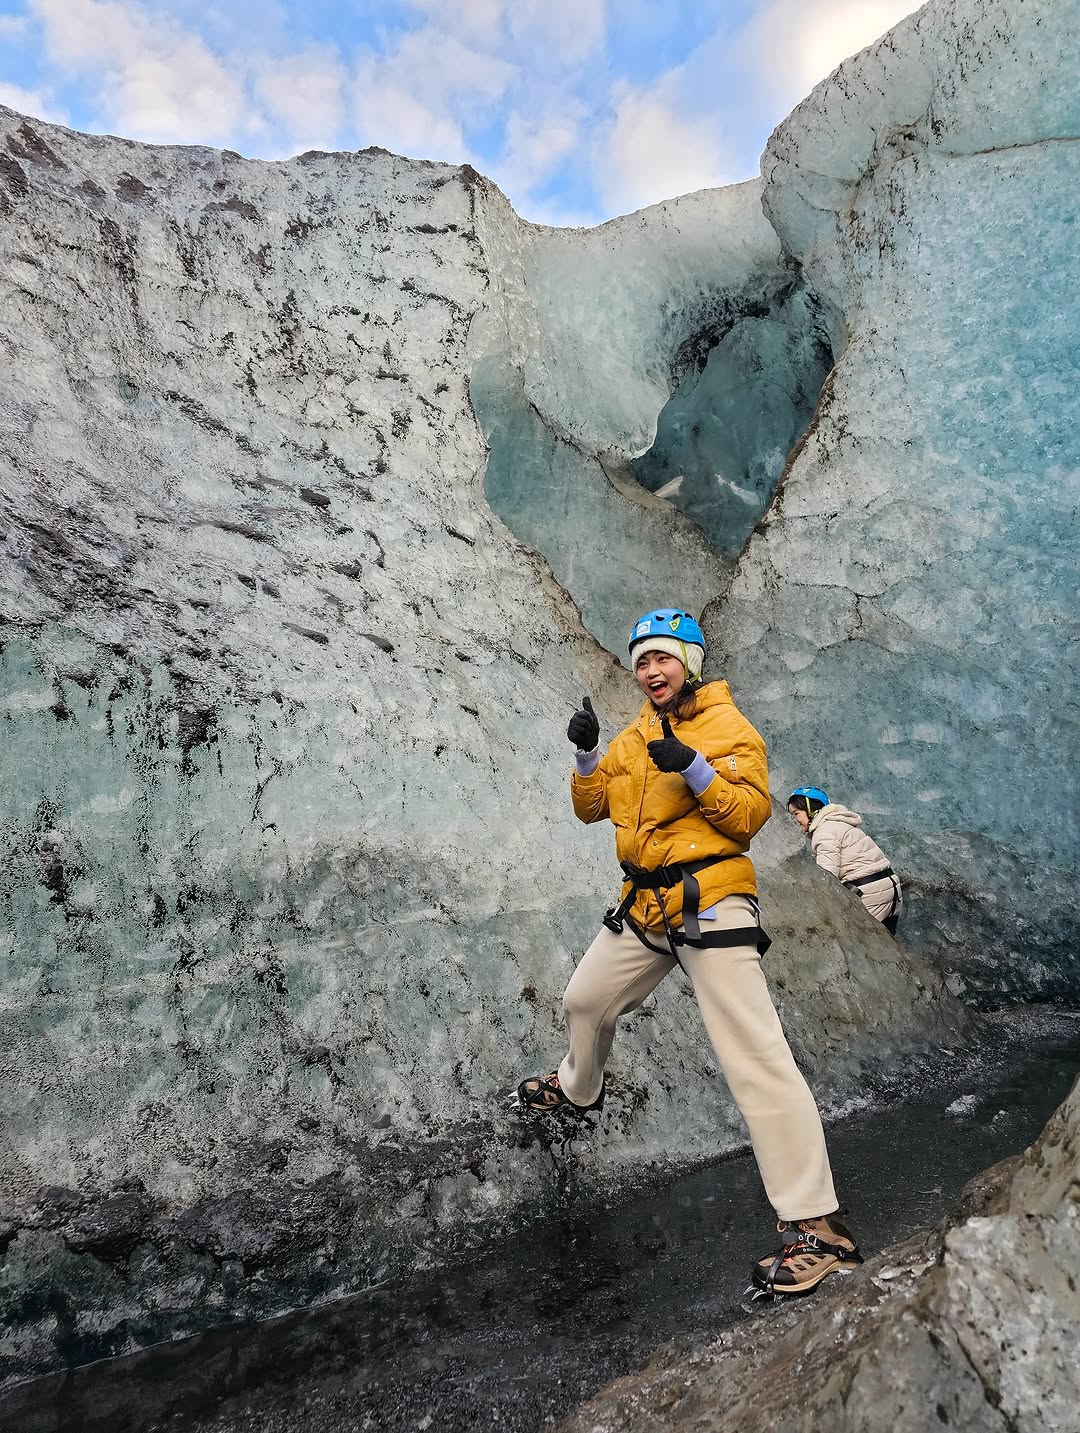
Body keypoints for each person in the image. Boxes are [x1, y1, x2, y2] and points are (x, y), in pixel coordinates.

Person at [513, 608, 862, 1296]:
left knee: (755, 1058)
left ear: (691, 661)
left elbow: (749, 816)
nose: (652, 671)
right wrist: (587, 755)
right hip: (646, 902)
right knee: (584, 999)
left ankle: (820, 1230)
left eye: (664, 658)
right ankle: (579, 1088)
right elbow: (593, 807)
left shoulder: (729, 728)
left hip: (712, 898)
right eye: (642, 661)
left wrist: (696, 767)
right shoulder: (637, 733)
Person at [787, 787, 902, 935]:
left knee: (860, 944)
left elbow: (827, 877)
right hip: (890, 889)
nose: (793, 819)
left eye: (796, 813)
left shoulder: (824, 831)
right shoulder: (839, 824)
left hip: (871, 894)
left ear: (812, 810)